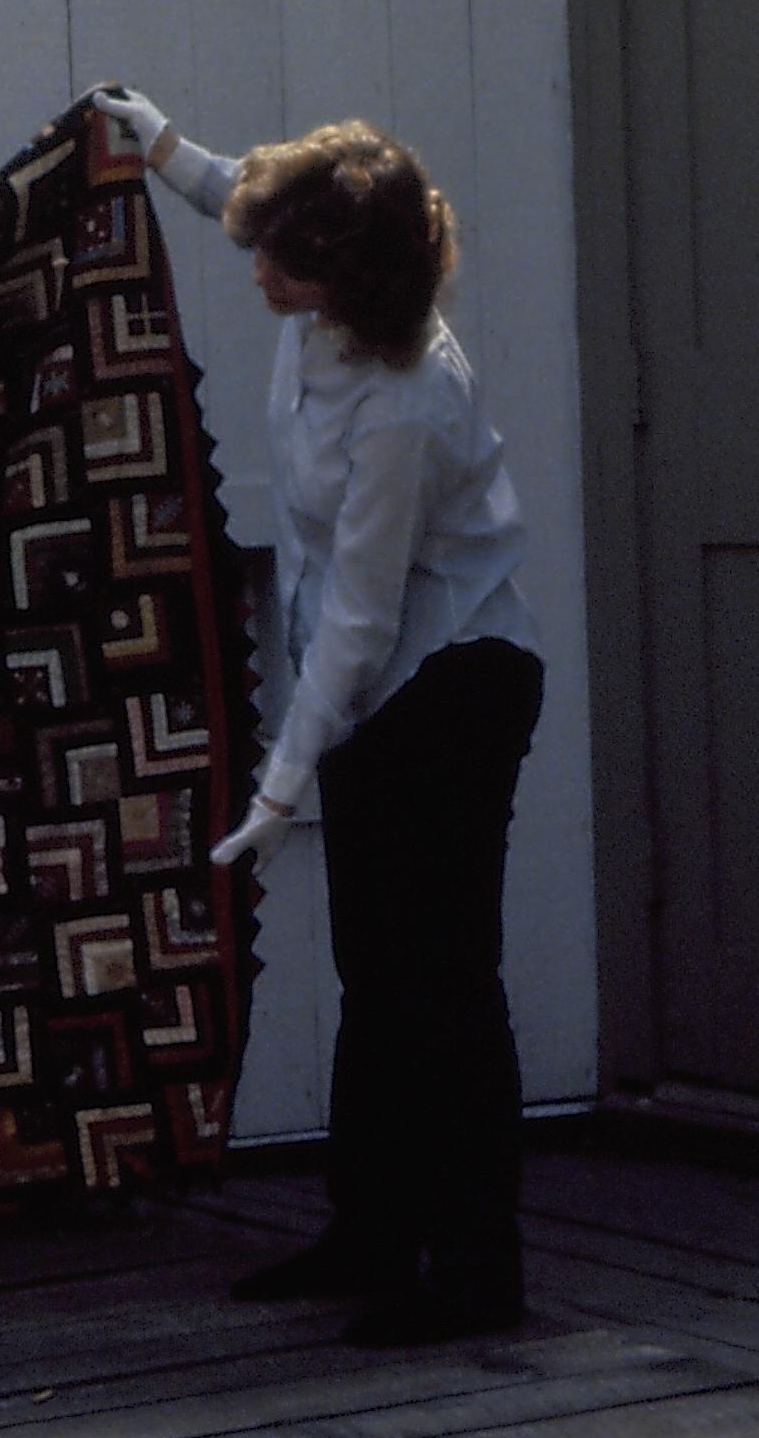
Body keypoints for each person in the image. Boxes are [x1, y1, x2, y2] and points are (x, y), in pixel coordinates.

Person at [92, 86, 545, 1346]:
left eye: (283, 261)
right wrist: (161, 141)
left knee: (440, 988)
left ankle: (474, 1275)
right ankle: (368, 1235)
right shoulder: (329, 284)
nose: (259, 272)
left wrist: (279, 790)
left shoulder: (404, 401)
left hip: (453, 686)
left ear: (343, 277)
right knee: (371, 975)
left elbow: (358, 613)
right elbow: (251, 197)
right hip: (380, 693)